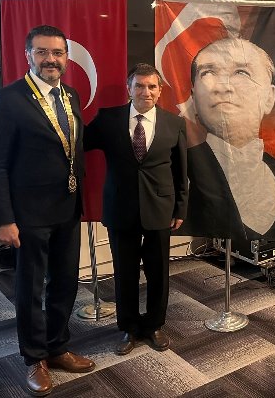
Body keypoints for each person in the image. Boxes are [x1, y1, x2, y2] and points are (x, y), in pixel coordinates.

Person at [0, 25, 94, 396]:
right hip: (28, 214)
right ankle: (34, 358)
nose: (51, 59)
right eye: (42, 52)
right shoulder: (8, 99)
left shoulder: (70, 95)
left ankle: (57, 347)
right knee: (30, 289)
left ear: (66, 57)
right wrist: (4, 218)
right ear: (28, 55)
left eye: (57, 53)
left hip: (67, 208)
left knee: (65, 282)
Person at [84, 63, 187, 356]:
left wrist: (181, 208)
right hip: (121, 208)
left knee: (159, 272)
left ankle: (154, 325)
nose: (146, 92)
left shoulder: (174, 123)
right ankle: (129, 327)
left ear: (160, 90)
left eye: (152, 86)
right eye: (139, 86)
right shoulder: (108, 119)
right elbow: (79, 144)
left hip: (160, 208)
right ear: (129, 89)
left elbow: (181, 170)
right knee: (125, 272)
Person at [181, 37, 275, 247]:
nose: (223, 87)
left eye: (241, 72)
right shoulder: (178, 168)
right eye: (208, 73)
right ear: (194, 98)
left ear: (269, 97)